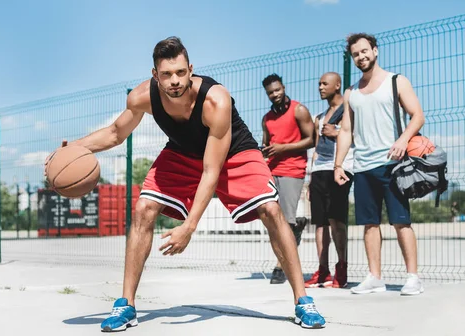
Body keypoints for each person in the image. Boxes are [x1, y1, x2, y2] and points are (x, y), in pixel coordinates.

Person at [46, 37, 325, 330]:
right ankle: (126, 304)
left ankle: (303, 300)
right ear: (155, 75)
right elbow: (116, 133)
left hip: (233, 152)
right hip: (183, 151)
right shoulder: (142, 97)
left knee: (271, 209)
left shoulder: (216, 100)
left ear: (191, 69)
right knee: (143, 208)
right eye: (166, 74)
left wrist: (189, 227)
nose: (175, 80)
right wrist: (72, 150)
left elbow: (211, 169)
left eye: (180, 72)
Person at [334, 33, 425, 296]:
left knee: (401, 221)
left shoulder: (396, 81)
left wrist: (403, 140)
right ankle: (375, 277)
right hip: (362, 166)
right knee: (369, 224)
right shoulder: (351, 93)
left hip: (393, 164)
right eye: (356, 54)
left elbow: (417, 115)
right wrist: (339, 165)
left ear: (375, 50)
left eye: (364, 51)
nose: (361, 57)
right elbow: (346, 130)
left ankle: (413, 277)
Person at [261, 73, 314, 284]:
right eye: (270, 92)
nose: (275, 94)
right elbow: (266, 146)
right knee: (272, 219)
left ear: (283, 87)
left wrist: (284, 148)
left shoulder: (299, 110)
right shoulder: (267, 118)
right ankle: (295, 232)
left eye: (277, 90)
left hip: (293, 170)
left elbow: (312, 140)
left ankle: (280, 266)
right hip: (271, 170)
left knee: (287, 221)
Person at [305, 72, 354, 288]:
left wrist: (336, 133)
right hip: (319, 170)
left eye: (325, 83)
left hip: (341, 168)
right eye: (319, 83)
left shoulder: (349, 110)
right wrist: (310, 177)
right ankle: (322, 270)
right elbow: (315, 148)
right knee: (320, 223)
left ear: (337, 85)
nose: (320, 87)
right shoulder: (320, 116)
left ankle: (341, 267)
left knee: (337, 220)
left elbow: (357, 135)